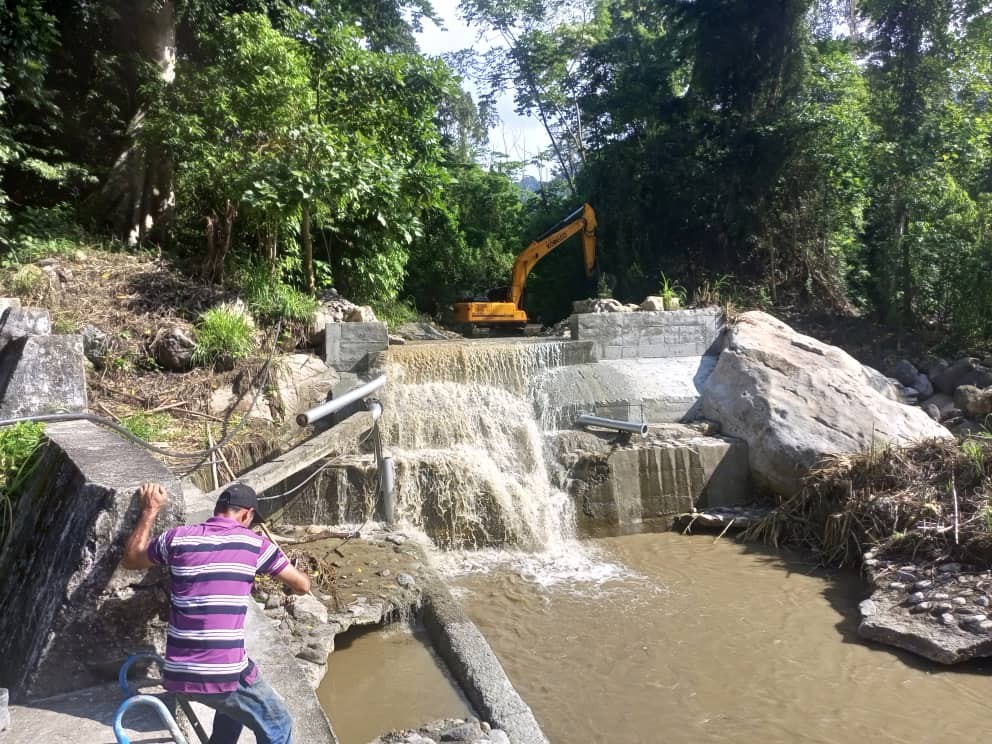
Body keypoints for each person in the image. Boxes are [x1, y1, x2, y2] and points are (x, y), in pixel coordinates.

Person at [122, 481, 311, 744]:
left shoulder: (177, 537)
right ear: (247, 515)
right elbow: (302, 586)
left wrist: (150, 510)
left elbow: (131, 558)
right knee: (278, 723)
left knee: (235, 702)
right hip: (221, 674)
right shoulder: (255, 544)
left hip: (177, 672)